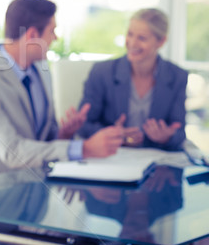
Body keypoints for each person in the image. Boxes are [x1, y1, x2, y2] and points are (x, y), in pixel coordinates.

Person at [0, 0, 125, 178]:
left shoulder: (41, 69)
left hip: (37, 189)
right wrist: (84, 149)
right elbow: (12, 152)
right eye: (52, 31)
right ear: (32, 35)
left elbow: (43, 141)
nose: (55, 38)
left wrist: (63, 134)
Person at [78, 8, 188, 151]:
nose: (132, 43)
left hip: (155, 159)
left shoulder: (177, 76)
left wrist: (167, 136)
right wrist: (113, 134)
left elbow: (179, 132)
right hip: (113, 157)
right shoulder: (102, 72)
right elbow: (83, 125)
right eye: (130, 34)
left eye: (142, 38)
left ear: (161, 41)